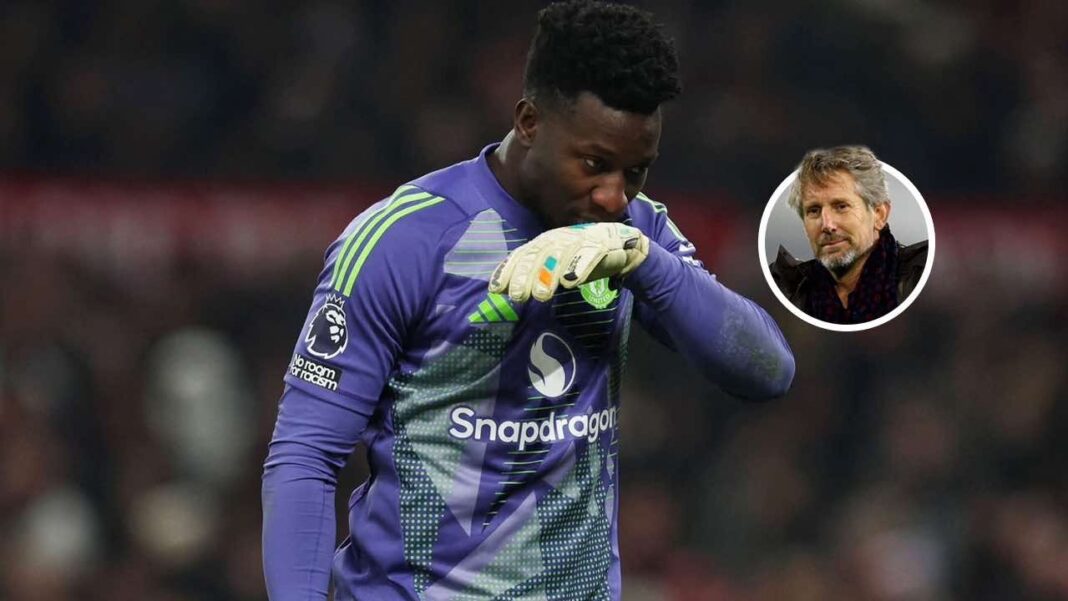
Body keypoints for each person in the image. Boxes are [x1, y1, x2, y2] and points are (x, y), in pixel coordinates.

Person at [262, 2, 795, 599]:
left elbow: (767, 370)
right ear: (529, 121)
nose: (614, 196)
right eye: (595, 164)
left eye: (636, 172)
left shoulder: (633, 234)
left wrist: (647, 264)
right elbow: (306, 456)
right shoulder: (405, 240)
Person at [769, 146, 929, 324]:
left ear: (879, 214)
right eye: (814, 210)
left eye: (841, 207)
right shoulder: (785, 287)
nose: (827, 225)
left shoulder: (922, 278)